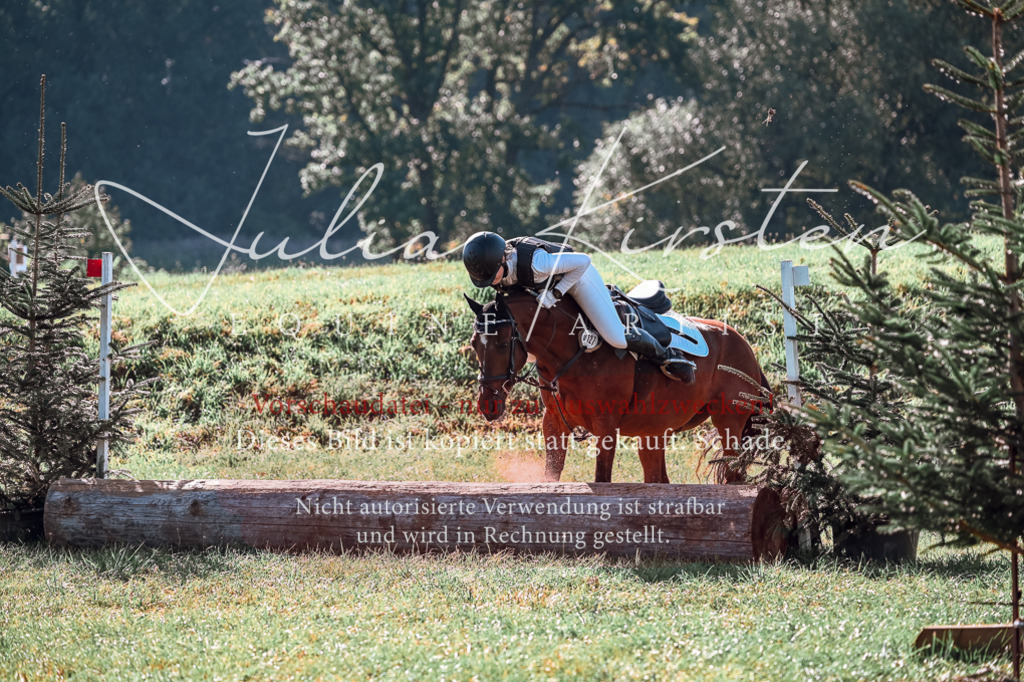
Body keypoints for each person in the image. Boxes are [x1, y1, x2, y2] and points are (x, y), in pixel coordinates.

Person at [462, 231, 694, 382]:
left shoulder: (536, 263)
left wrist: (556, 293)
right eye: (486, 279)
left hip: (578, 279)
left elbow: (583, 261)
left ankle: (668, 356)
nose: (493, 281)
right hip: (548, 289)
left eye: (493, 275)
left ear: (503, 258)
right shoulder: (497, 271)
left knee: (615, 337)